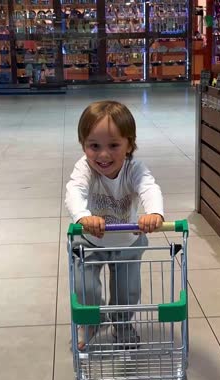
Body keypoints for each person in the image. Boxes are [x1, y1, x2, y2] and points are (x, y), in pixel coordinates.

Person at [65, 100, 164, 351]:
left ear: (129, 144)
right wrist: (82, 217)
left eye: (114, 145)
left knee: (127, 293)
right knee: (84, 289)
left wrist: (154, 213)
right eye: (94, 146)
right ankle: (91, 321)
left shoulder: (134, 169)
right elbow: (74, 190)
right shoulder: (84, 168)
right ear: (83, 144)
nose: (103, 155)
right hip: (90, 241)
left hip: (127, 241)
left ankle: (122, 324)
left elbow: (149, 187)